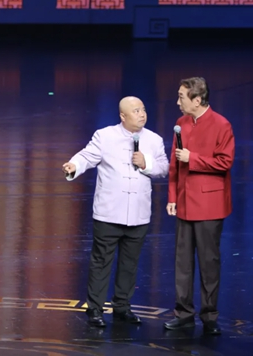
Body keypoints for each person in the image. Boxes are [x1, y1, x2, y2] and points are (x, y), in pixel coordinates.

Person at [62, 96, 169, 327]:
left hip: (139, 213)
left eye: (143, 109)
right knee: (101, 262)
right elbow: (86, 156)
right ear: (123, 116)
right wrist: (73, 166)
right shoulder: (105, 136)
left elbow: (164, 168)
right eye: (136, 111)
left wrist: (146, 163)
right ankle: (95, 309)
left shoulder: (154, 140)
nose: (142, 114)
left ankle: (122, 307)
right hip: (109, 212)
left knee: (130, 264)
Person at [164, 77, 235, 336]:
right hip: (184, 202)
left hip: (209, 205)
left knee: (208, 262)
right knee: (182, 263)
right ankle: (183, 314)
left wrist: (192, 158)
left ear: (197, 100)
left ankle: (209, 315)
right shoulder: (181, 123)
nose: (178, 101)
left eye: (182, 96)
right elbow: (174, 164)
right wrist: (172, 197)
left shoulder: (221, 124)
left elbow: (224, 162)